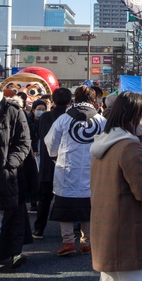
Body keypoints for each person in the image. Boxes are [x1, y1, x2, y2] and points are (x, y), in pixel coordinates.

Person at [90, 91, 142, 281]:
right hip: (131, 236)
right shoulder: (129, 146)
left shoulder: (103, 144)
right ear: (131, 115)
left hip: (107, 231)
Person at [45, 85, 106, 256]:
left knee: (66, 205)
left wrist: (57, 155)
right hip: (93, 169)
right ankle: (87, 243)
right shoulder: (102, 121)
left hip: (67, 168)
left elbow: (50, 143)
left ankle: (68, 242)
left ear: (75, 100)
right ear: (94, 101)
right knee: (88, 207)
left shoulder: (63, 119)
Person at [33, 87, 71, 239]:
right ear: (69, 101)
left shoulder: (45, 117)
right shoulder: (71, 117)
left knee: (44, 199)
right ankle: (69, 232)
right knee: (67, 198)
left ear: (53, 101)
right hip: (66, 163)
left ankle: (38, 229)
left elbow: (38, 134)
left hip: (47, 164)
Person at [0, 89, 32, 269]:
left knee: (14, 213)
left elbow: (23, 142)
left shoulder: (14, 111)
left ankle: (14, 252)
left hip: (8, 173)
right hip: (9, 171)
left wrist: (10, 163)